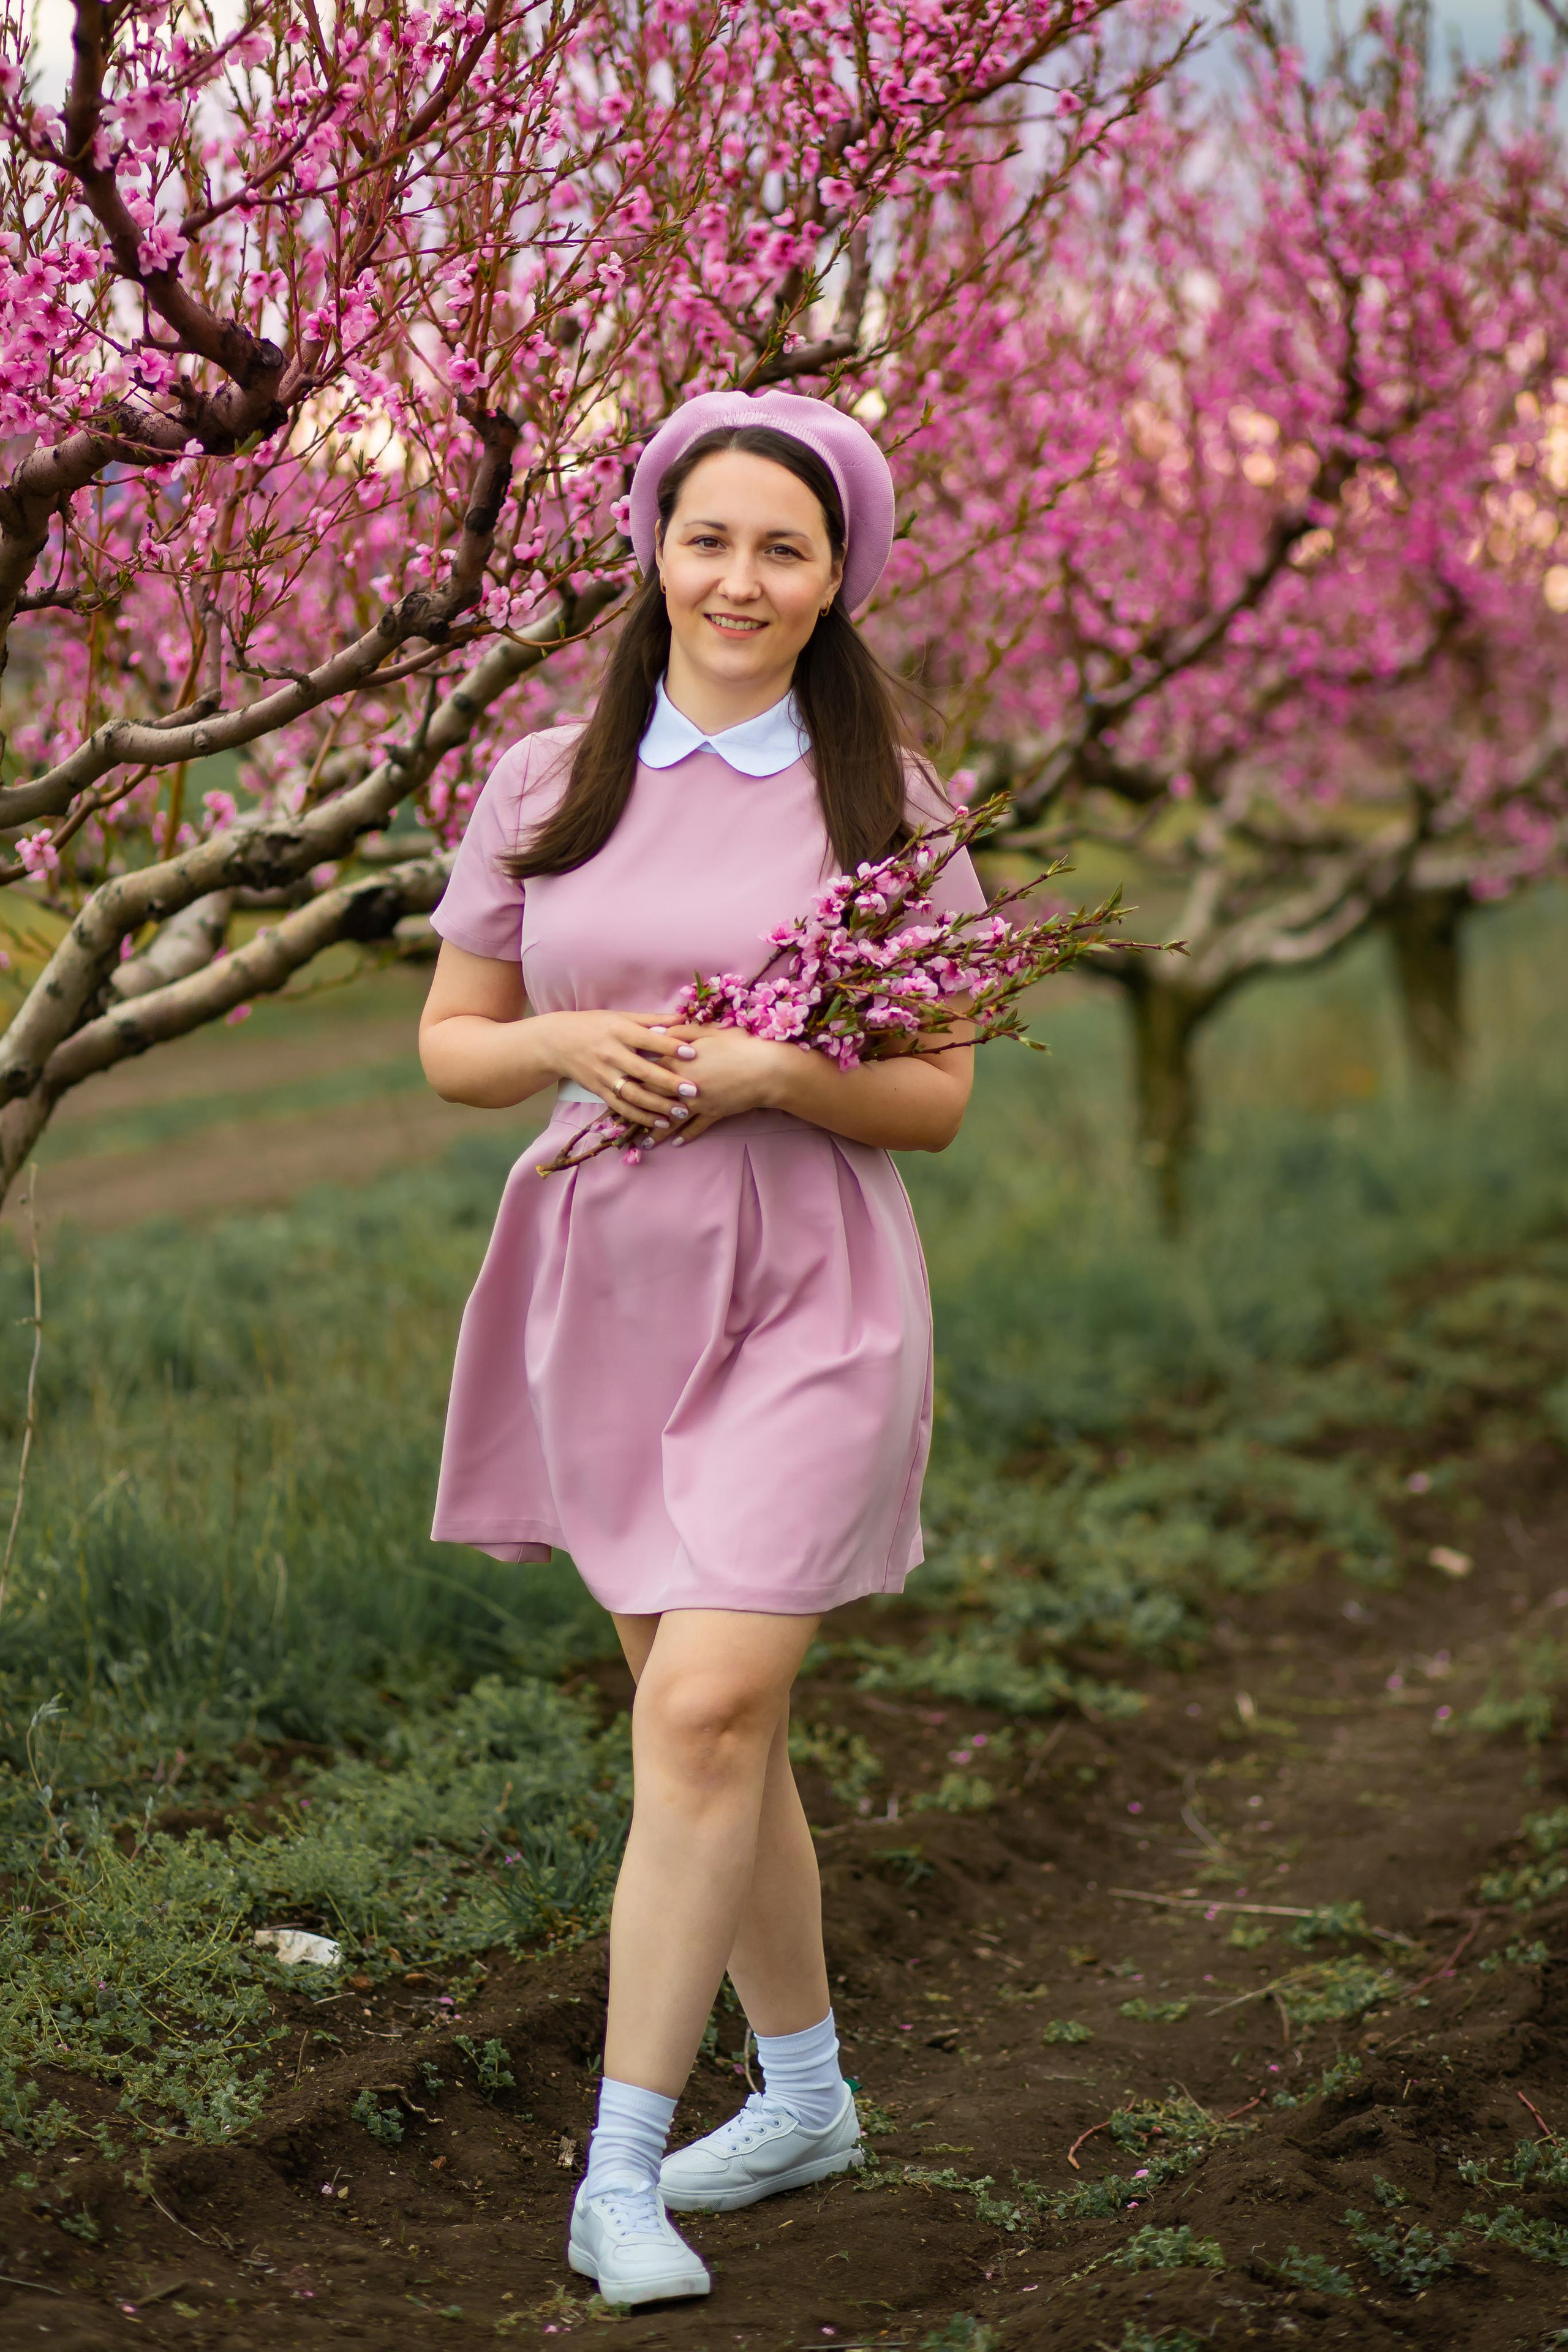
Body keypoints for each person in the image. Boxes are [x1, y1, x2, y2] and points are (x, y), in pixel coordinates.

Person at [418, 388, 988, 2306]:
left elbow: (937, 1098)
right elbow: (450, 1049)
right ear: (655, 548)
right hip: (609, 1284)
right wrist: (570, 1044)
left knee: (704, 1714)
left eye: (784, 549)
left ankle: (619, 2169)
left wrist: (773, 1067)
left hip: (812, 1285)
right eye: (708, 538)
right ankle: (810, 2090)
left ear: (838, 585)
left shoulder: (886, 802)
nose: (738, 578)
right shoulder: (539, 783)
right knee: (711, 1730)